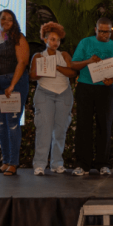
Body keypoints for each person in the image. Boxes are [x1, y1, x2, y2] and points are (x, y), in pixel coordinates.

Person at [70, 17, 113, 175]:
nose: (105, 35)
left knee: (105, 125)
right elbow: (73, 64)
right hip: (85, 87)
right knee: (83, 125)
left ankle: (103, 164)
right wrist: (89, 61)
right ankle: (82, 164)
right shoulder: (85, 43)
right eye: (101, 31)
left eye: (108, 32)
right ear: (95, 30)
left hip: (105, 89)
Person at [0, 9, 30, 176]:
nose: (6, 21)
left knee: (12, 123)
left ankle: (13, 163)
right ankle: (5, 161)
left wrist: (12, 85)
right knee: (1, 124)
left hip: (13, 84)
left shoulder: (18, 37)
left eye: (10, 19)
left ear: (14, 22)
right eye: (3, 18)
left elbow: (22, 62)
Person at [30, 22, 77, 175]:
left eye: (58, 40)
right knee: (44, 130)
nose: (55, 42)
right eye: (52, 39)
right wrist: (45, 69)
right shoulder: (38, 56)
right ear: (45, 40)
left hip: (64, 93)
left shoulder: (64, 55)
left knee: (60, 130)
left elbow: (73, 73)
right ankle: (39, 165)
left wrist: (55, 66)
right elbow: (32, 76)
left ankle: (57, 164)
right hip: (44, 93)